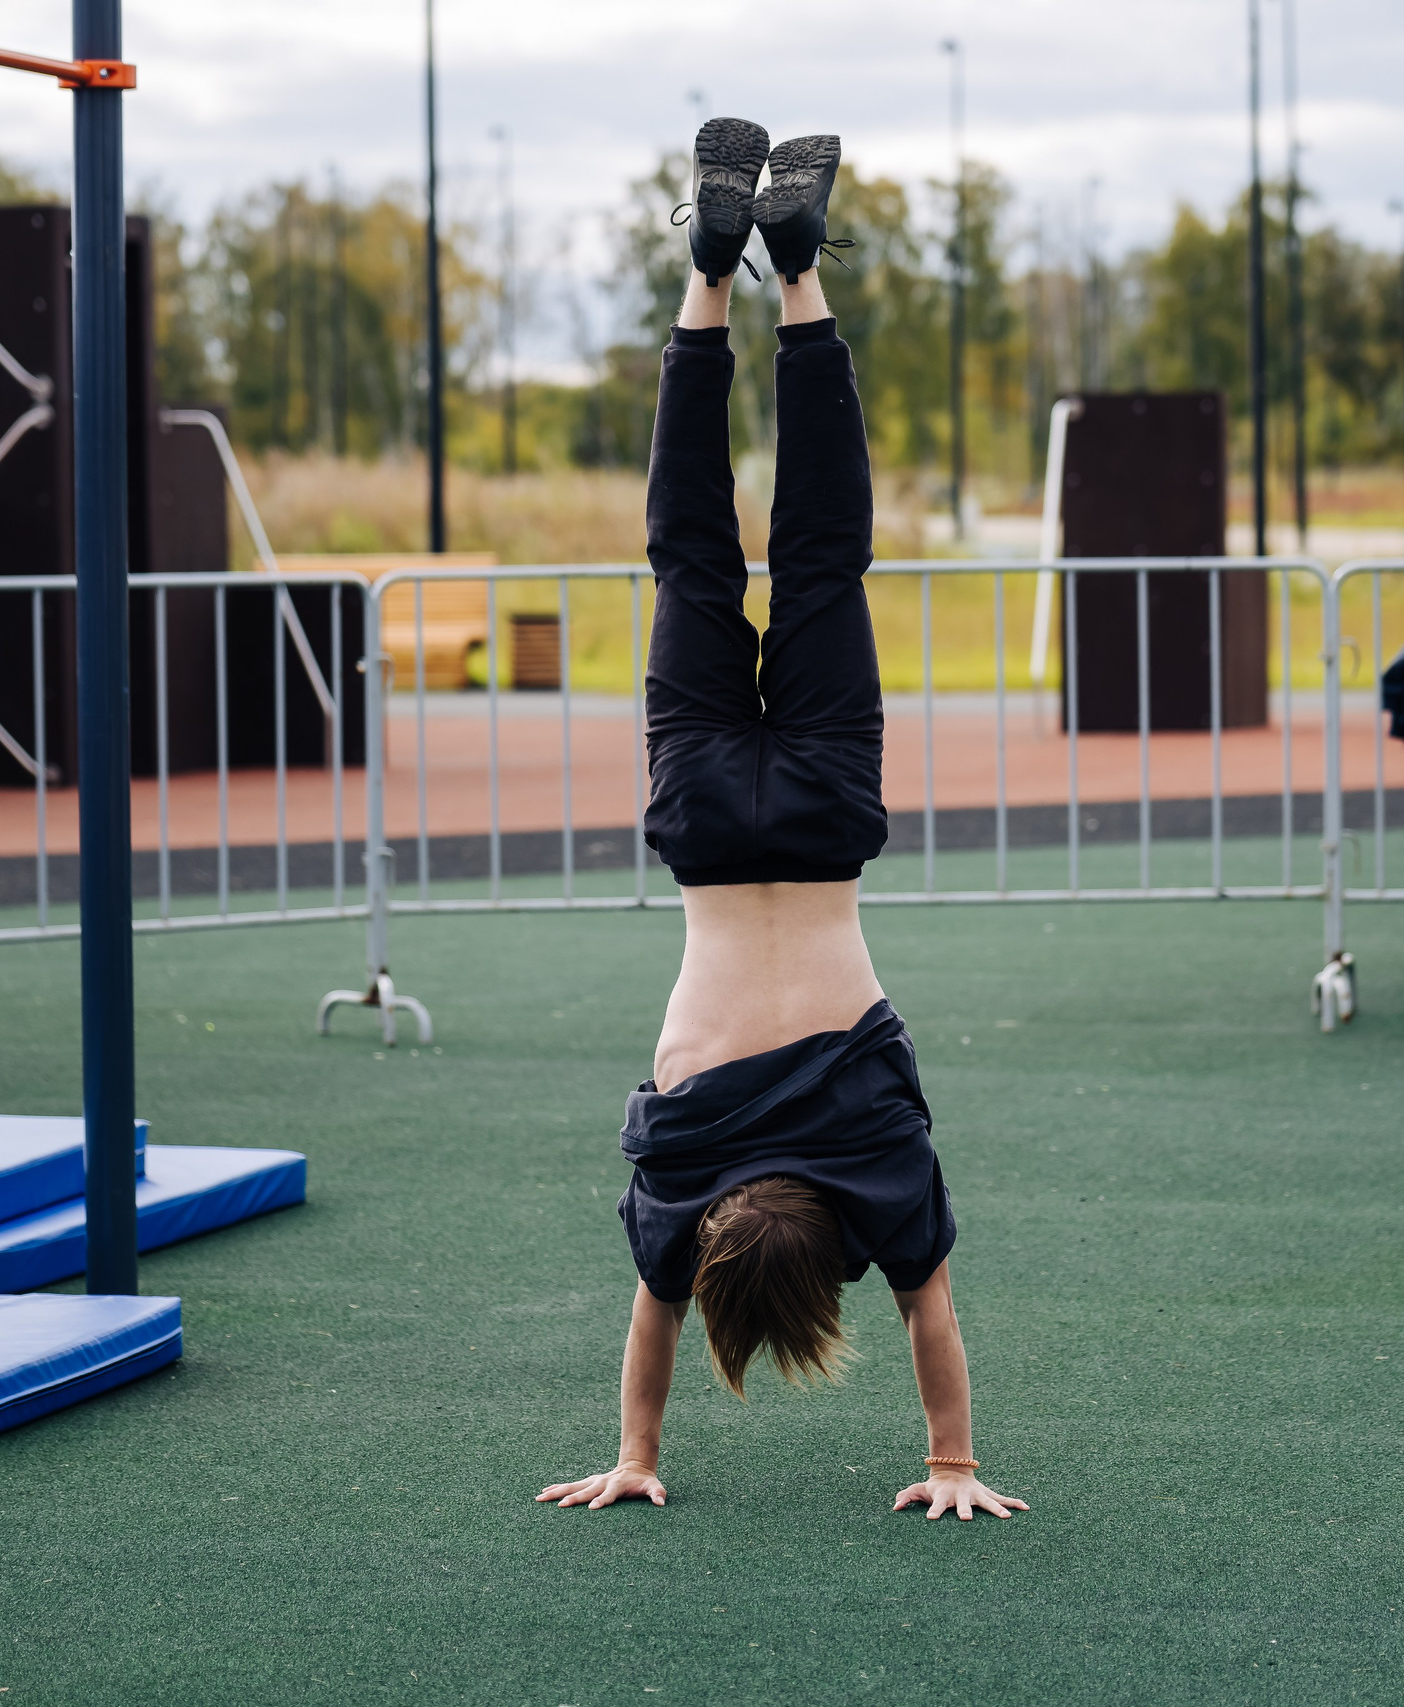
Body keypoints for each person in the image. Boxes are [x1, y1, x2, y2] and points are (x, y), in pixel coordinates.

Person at [535, 122, 1024, 1524]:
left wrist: (954, 1460)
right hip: (703, 814)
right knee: (689, 557)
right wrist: (634, 1448)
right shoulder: (682, 1177)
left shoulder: (876, 1154)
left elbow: (932, 1311)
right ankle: (711, 279)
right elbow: (653, 1310)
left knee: (822, 555)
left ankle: (793, 272)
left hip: (819, 818)